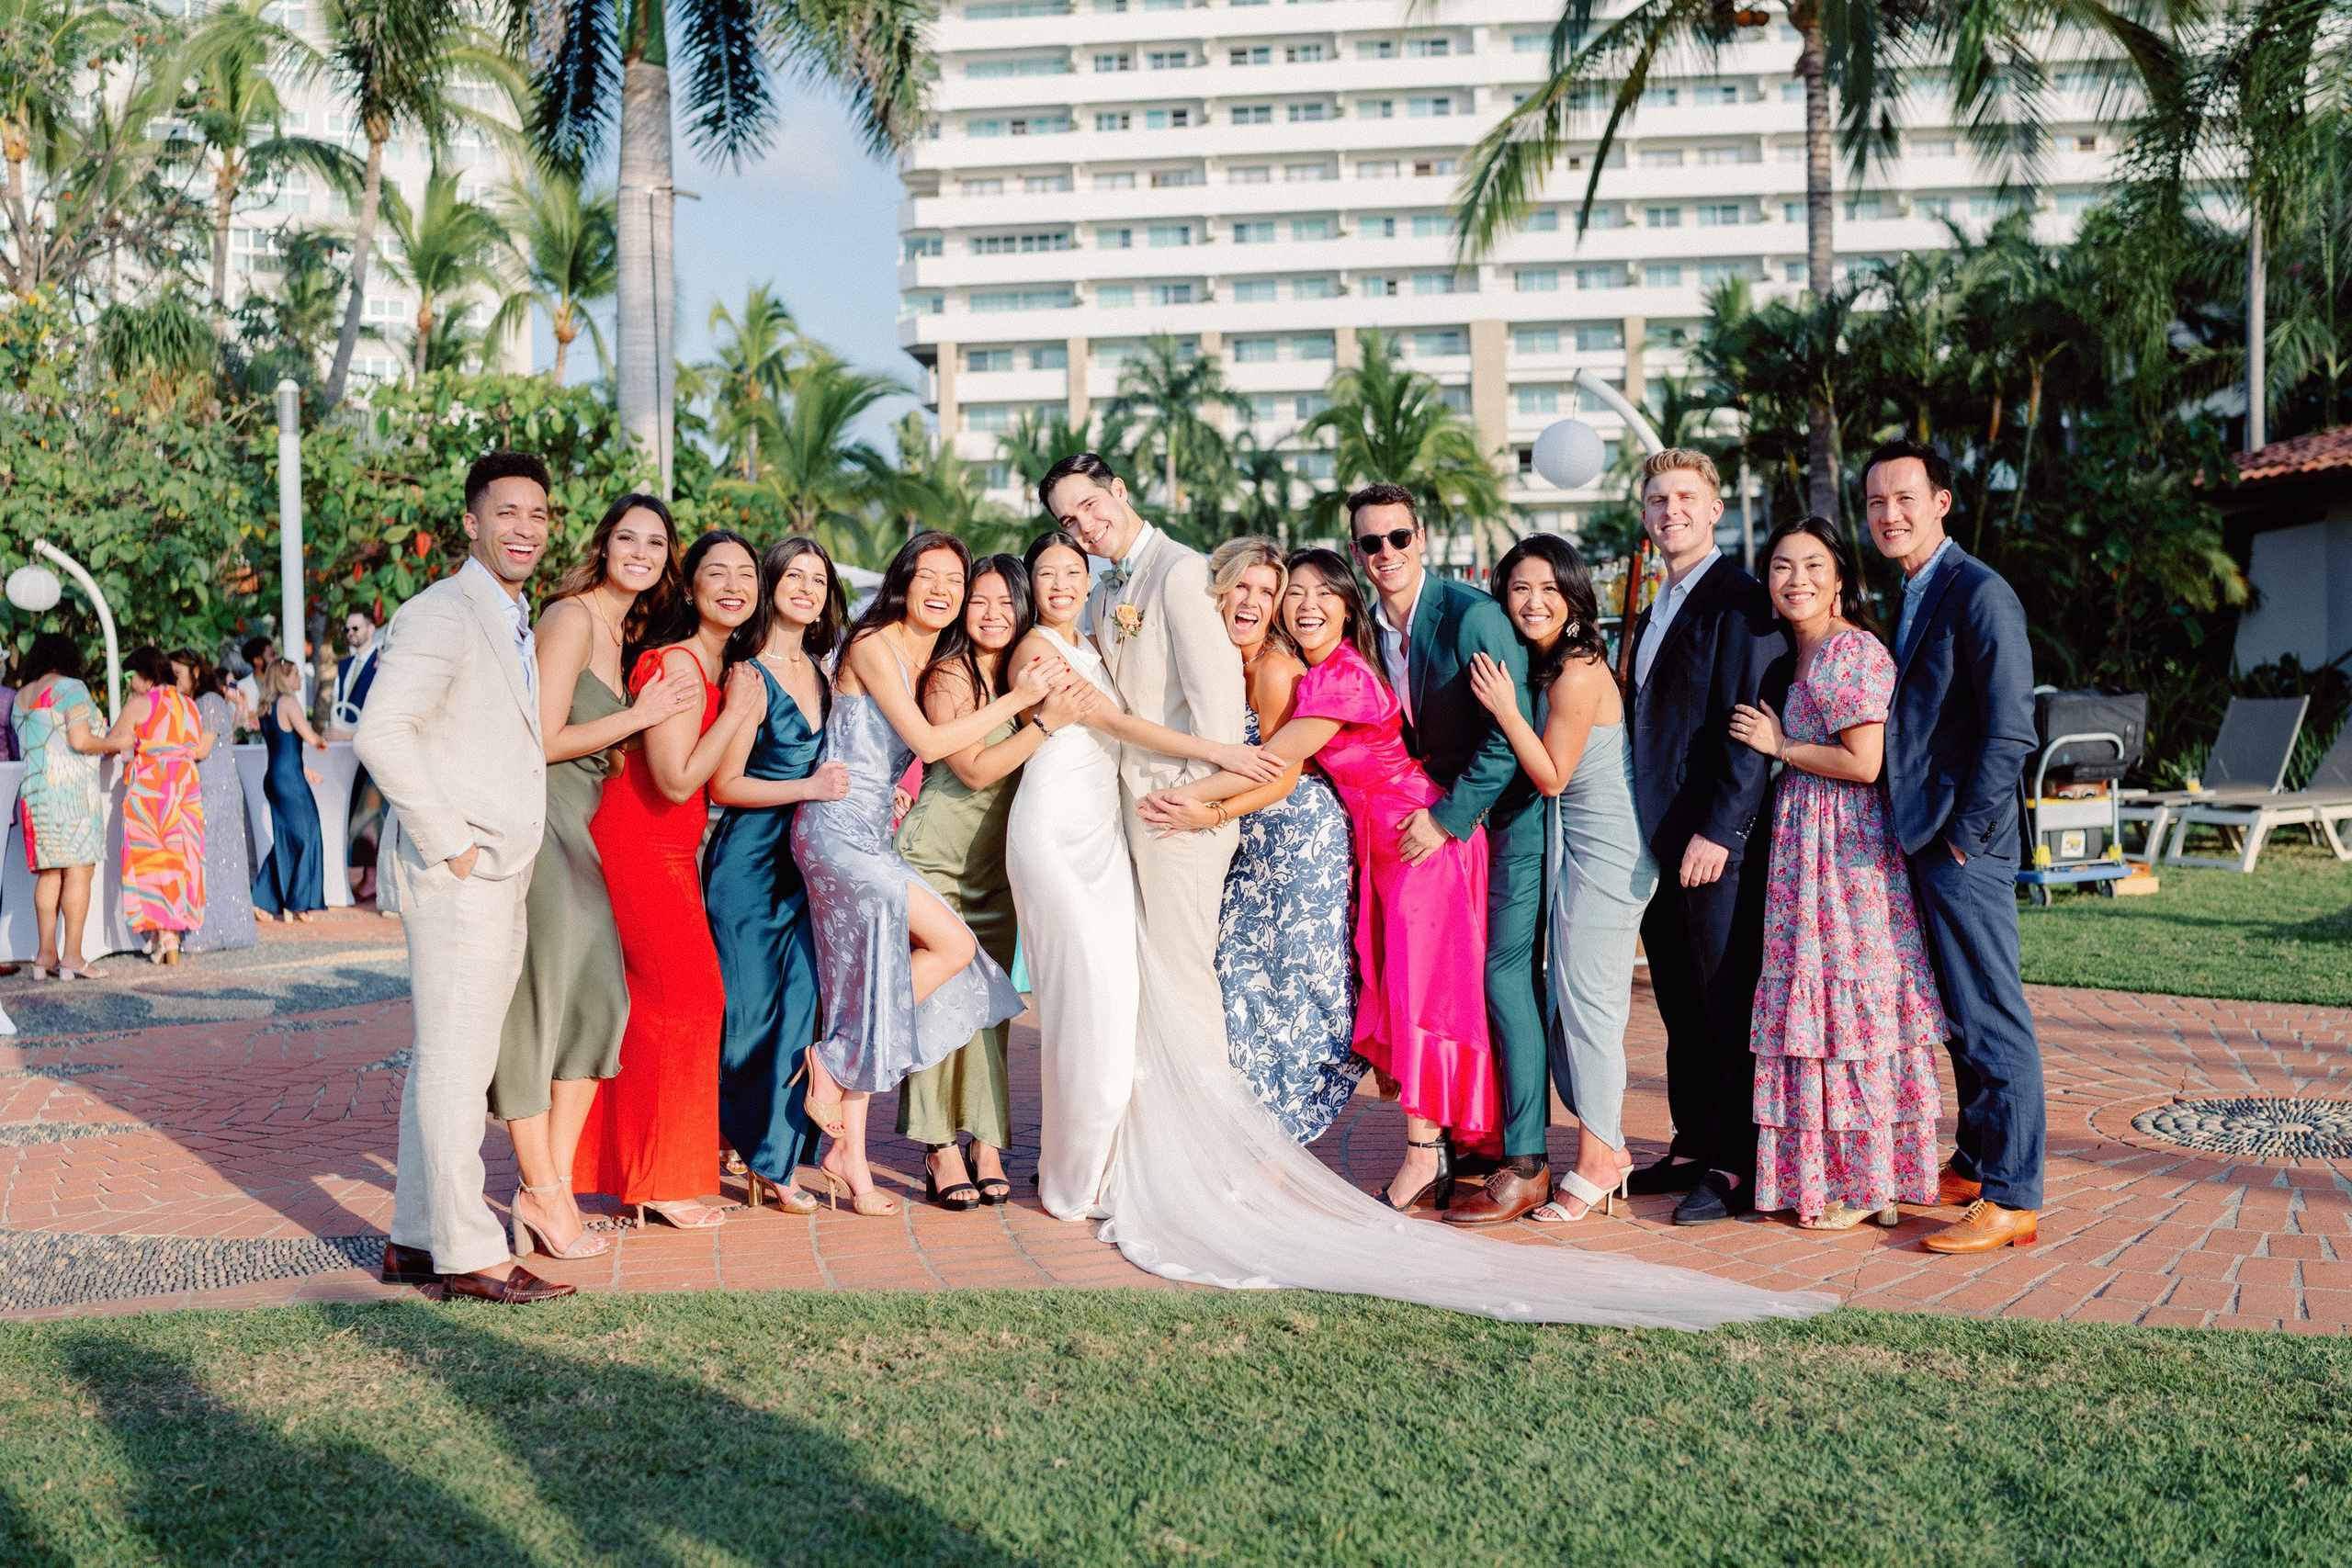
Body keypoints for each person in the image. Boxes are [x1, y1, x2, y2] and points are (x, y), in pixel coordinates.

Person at [1147, 549, 1497, 1206]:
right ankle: (1429, 1148)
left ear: (1347, 606)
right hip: (1376, 839)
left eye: (1322, 594)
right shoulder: (1316, 671)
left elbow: (1274, 760)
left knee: (1420, 996)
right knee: (1396, 989)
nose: (1307, 606)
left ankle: (1425, 1157)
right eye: (1296, 593)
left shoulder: (1342, 677)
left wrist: (1188, 803)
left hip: (1416, 838)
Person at [1006, 528, 1277, 1218]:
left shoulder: (1094, 636)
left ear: (1089, 577)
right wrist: (1221, 753)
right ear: (1030, 583)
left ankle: (1108, 1154)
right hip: (1057, 831)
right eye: (1047, 573)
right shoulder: (1037, 651)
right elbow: (1118, 722)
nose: (1062, 584)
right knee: (1088, 997)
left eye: (1074, 570)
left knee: (1116, 995)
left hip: (1106, 829)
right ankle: (1078, 1173)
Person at [355, 448, 573, 1303]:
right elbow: (382, 732)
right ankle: (468, 1250)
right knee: (455, 1064)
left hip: (497, 865)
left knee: (451, 1058)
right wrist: (455, 845)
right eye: (507, 512)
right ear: (472, 523)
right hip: (461, 872)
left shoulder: (511, 615)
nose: (525, 528)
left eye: (538, 515)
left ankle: (416, 1238)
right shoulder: (441, 612)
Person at [795, 531, 1048, 1217]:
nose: (943, 590)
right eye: (928, 576)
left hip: (874, 830)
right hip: (836, 830)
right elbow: (933, 743)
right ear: (903, 580)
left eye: (954, 581)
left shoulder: (929, 654)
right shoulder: (874, 643)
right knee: (955, 947)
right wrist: (1024, 702)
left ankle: (849, 1155)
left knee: (883, 976)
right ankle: (837, 1057)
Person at [491, 492, 698, 1258]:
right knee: (542, 1006)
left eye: (656, 543)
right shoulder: (571, 618)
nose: (641, 553)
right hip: (544, 822)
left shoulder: (623, 633)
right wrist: (640, 717)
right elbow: (542, 739)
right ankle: (543, 1189)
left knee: (599, 1003)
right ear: (604, 545)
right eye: (628, 538)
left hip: (582, 825)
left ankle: (546, 1189)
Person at [1725, 516, 1946, 1228]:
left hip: (1847, 853)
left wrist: (1781, 745)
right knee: (1818, 1006)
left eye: (1813, 565)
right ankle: (1843, 1176)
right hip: (1806, 849)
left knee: (1850, 1004)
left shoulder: (1849, 651)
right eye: (1782, 566)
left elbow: (1864, 761)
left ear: (1840, 579)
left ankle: (1869, 1181)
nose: (1797, 580)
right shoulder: (1799, 651)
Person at [1863, 439, 2045, 1253]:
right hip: (1926, 835)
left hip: (1965, 843)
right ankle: (1974, 1163)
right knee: (1959, 1014)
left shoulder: (1980, 591)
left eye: (1905, 498)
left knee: (1991, 1014)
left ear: (1942, 501)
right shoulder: (1912, 589)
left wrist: (1966, 836)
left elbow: (2011, 730)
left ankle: (2013, 1194)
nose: (1889, 514)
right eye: (1877, 502)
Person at [1349, 486, 1547, 1224]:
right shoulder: (1369, 627)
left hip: (1505, 819)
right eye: (1371, 543)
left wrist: (1447, 818)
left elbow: (1508, 735)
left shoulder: (1471, 615)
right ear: (1357, 552)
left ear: (1421, 537)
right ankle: (1468, 1140)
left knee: (1501, 979)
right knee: (1447, 985)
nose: (1387, 553)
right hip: (1432, 832)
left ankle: (1526, 1159)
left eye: (1398, 537)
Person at [1136, 536, 1363, 1143]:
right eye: (1241, 586)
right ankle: (1249, 1123)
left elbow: (1281, 774)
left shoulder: (1275, 668)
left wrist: (1206, 811)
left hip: (1298, 837)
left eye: (1267, 591)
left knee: (1295, 980)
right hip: (1247, 839)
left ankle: (1286, 1123)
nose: (1253, 602)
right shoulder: (1217, 663)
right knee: (1239, 975)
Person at [572, 530, 766, 1230]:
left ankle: (635, 1171)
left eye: (746, 574)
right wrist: (738, 711)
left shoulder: (721, 666)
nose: (733, 585)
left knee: (661, 1006)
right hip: (639, 844)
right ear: (689, 587)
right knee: (691, 997)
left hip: (673, 848)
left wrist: (742, 707)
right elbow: (678, 778)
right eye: (717, 573)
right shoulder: (679, 662)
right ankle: (658, 1177)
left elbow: (720, 779)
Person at [1468, 535, 1657, 1223]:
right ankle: (1607, 1147)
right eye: (1520, 588)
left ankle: (1600, 1160)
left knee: (1590, 1005)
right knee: (1569, 1001)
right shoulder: (1549, 665)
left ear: (1575, 597)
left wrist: (1506, 710)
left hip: (1608, 852)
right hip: (1576, 846)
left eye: (1550, 588)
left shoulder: (1576, 673)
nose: (1534, 601)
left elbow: (1551, 776)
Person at [1621, 448, 1787, 1227]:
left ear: (1715, 508)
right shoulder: (1655, 600)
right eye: (1658, 499)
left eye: (1686, 497)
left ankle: (1734, 1165)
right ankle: (1691, 1144)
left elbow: (1750, 727)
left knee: (1726, 1008)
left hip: (1714, 847)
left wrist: (1720, 829)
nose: (1671, 510)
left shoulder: (1742, 602)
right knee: (1681, 1008)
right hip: (1657, 843)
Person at [898, 553, 1091, 1208]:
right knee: (935, 1007)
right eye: (978, 600)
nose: (991, 614)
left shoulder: (1024, 668)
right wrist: (1043, 721)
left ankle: (986, 1140)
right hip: (938, 859)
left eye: (1006, 602)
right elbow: (975, 770)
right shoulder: (949, 674)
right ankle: (938, 1147)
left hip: (996, 866)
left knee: (987, 1008)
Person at [705, 536, 851, 1214]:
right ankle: (735, 1141)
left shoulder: (822, 672)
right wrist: (811, 788)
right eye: (794, 575)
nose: (806, 588)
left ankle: (774, 1159)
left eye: (818, 580)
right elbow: (725, 785)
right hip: (747, 865)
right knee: (746, 1014)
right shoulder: (748, 674)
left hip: (803, 868)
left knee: (800, 1004)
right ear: (770, 584)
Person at [11, 633, 109, 978]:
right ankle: (72, 958)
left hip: (35, 794)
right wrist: (117, 740)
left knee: (50, 872)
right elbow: (80, 740)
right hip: (71, 791)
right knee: (79, 871)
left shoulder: (21, 697)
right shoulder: (72, 688)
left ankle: (44, 956)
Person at [104, 645, 210, 963]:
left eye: (131, 676)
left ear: (146, 675)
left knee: (152, 860)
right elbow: (195, 746)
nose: (129, 683)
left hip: (152, 788)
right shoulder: (189, 704)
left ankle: (165, 935)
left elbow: (110, 744)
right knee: (180, 858)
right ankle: (166, 935)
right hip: (185, 786)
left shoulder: (141, 704)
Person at [175, 650, 257, 953]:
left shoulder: (209, 700)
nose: (174, 681)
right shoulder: (195, 703)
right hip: (204, 788)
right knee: (209, 859)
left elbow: (202, 748)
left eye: (177, 674)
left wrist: (164, 748)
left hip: (217, 791)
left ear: (195, 672)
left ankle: (217, 931)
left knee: (216, 859)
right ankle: (212, 929)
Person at [250, 655, 329, 922]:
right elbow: (309, 737)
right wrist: (323, 739)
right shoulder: (287, 702)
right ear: (283, 678)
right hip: (288, 779)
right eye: (295, 673)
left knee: (291, 839)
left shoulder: (268, 706)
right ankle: (297, 901)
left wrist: (304, 770)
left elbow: (282, 747)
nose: (300, 678)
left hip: (277, 777)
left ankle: (268, 899)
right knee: (309, 834)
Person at [330, 609, 387, 901]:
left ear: (371, 628)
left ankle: (374, 878)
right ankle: (367, 875)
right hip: (348, 751)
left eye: (356, 628)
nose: (351, 633)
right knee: (356, 811)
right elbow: (338, 703)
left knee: (370, 813)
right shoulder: (344, 666)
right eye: (347, 629)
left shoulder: (383, 660)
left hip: (372, 746)